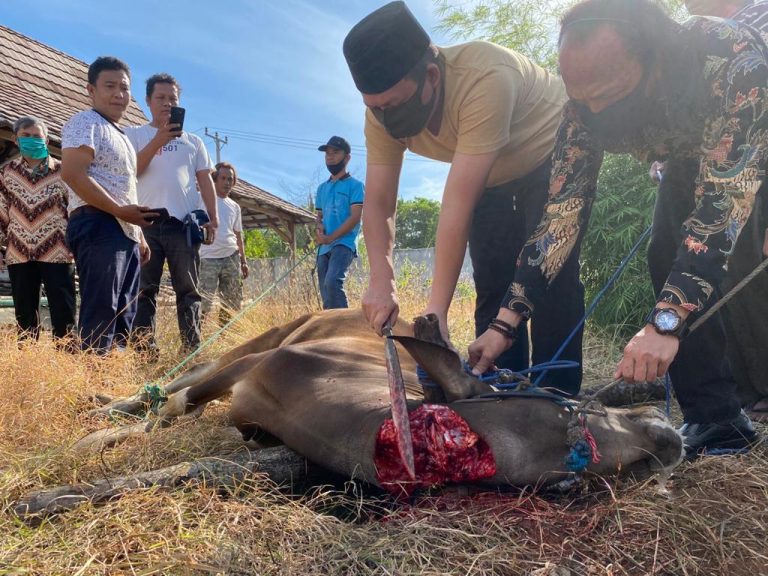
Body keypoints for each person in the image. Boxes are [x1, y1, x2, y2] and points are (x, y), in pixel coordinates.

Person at [469, 0, 765, 457]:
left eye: (607, 95)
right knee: (666, 255)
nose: (593, 111)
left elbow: (722, 206)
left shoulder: (728, 56)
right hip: (692, 153)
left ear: (655, 58)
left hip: (752, 130)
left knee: (748, 252)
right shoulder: (581, 113)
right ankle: (719, 418)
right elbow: (559, 221)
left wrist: (664, 326)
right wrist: (503, 325)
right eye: (581, 96)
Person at [343, 1, 584, 394]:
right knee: (492, 275)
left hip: (550, 151)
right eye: (375, 108)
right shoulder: (380, 115)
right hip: (490, 170)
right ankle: (502, 387)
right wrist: (380, 280)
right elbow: (380, 203)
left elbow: (456, 203)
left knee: (550, 277)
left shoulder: (483, 76)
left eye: (392, 105)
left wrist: (434, 314)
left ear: (432, 76)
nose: (385, 118)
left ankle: (555, 394)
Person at [649, 0, 768, 422]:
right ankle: (735, 396)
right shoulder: (685, 39)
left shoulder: (760, 17)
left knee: (748, 267)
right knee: (698, 267)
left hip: (754, 162)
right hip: (704, 171)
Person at [60, 56, 154, 353]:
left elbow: (126, 188)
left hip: (123, 230)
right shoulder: (84, 122)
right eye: (109, 86)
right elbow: (73, 173)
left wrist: (138, 234)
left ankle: (112, 383)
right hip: (98, 223)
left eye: (124, 88)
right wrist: (118, 212)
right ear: (91, 90)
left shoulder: (123, 136)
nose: (119, 94)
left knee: (123, 311)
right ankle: (90, 389)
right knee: (101, 308)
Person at [125, 73, 218, 355]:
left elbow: (205, 181)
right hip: (144, 223)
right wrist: (158, 140)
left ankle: (191, 349)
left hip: (182, 225)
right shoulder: (134, 135)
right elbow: (131, 173)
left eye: (173, 99)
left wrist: (213, 217)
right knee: (144, 291)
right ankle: (145, 351)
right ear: (148, 101)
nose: (167, 104)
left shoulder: (193, 142)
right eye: (161, 98)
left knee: (188, 290)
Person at [0, 116, 76, 343]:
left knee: (63, 311)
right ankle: (29, 360)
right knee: (24, 313)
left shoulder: (64, 171)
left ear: (46, 139)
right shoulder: (6, 173)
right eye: (26, 136)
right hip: (19, 251)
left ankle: (66, 359)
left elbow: (75, 209)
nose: (32, 140)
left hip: (58, 251)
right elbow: (2, 212)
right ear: (16, 139)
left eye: (37, 136)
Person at [313, 136, 364, 310]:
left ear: (347, 157)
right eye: (327, 153)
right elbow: (319, 216)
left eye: (335, 152)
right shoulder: (322, 188)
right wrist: (319, 229)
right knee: (325, 291)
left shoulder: (356, 186)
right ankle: (330, 328)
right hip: (324, 247)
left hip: (344, 243)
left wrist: (331, 238)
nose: (330, 156)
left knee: (333, 282)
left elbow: (355, 217)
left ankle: (346, 328)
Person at [199, 162, 248, 325]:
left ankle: (226, 339)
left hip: (231, 258)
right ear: (215, 179)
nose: (227, 182)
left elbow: (238, 235)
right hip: (207, 258)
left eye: (231, 179)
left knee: (232, 302)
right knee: (203, 303)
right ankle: (196, 340)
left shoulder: (235, 207)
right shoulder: (202, 199)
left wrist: (243, 261)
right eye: (223, 178)